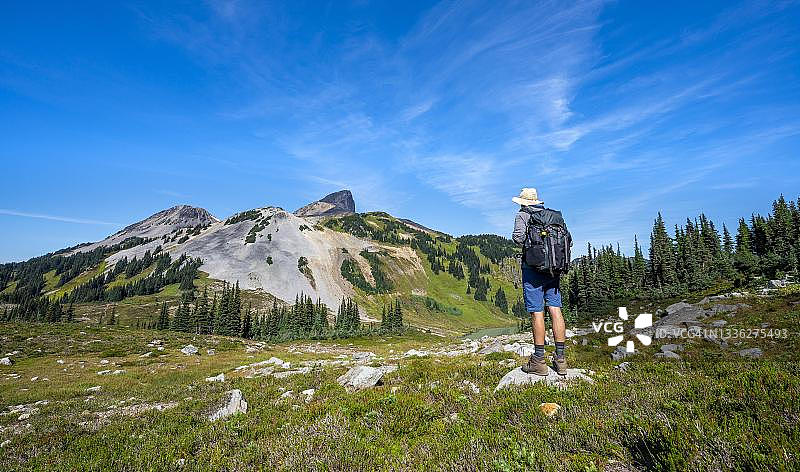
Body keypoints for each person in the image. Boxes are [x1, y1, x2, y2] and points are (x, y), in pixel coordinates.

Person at [511, 188, 570, 376]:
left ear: (523, 202)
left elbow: (518, 238)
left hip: (533, 269)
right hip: (553, 269)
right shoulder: (553, 216)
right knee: (555, 309)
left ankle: (538, 360)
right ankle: (560, 359)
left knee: (537, 312)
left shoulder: (522, 215)